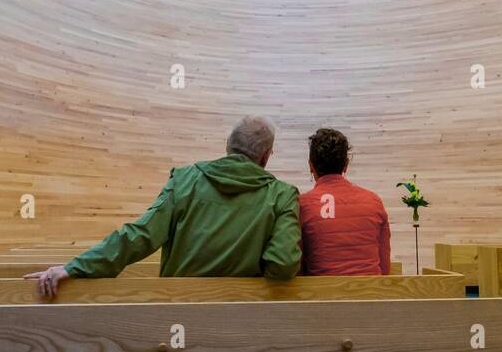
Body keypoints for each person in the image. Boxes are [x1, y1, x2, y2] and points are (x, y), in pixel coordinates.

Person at [28, 116, 301, 298]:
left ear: (228, 147)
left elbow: (140, 236)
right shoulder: (281, 195)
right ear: (266, 157)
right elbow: (283, 264)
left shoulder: (184, 180)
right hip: (238, 318)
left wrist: (75, 267)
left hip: (175, 312)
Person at [298, 127, 390, 275]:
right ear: (346, 164)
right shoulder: (374, 202)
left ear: (311, 165)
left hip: (321, 295)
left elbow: (297, 268)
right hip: (370, 294)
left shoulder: (301, 205)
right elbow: (385, 268)